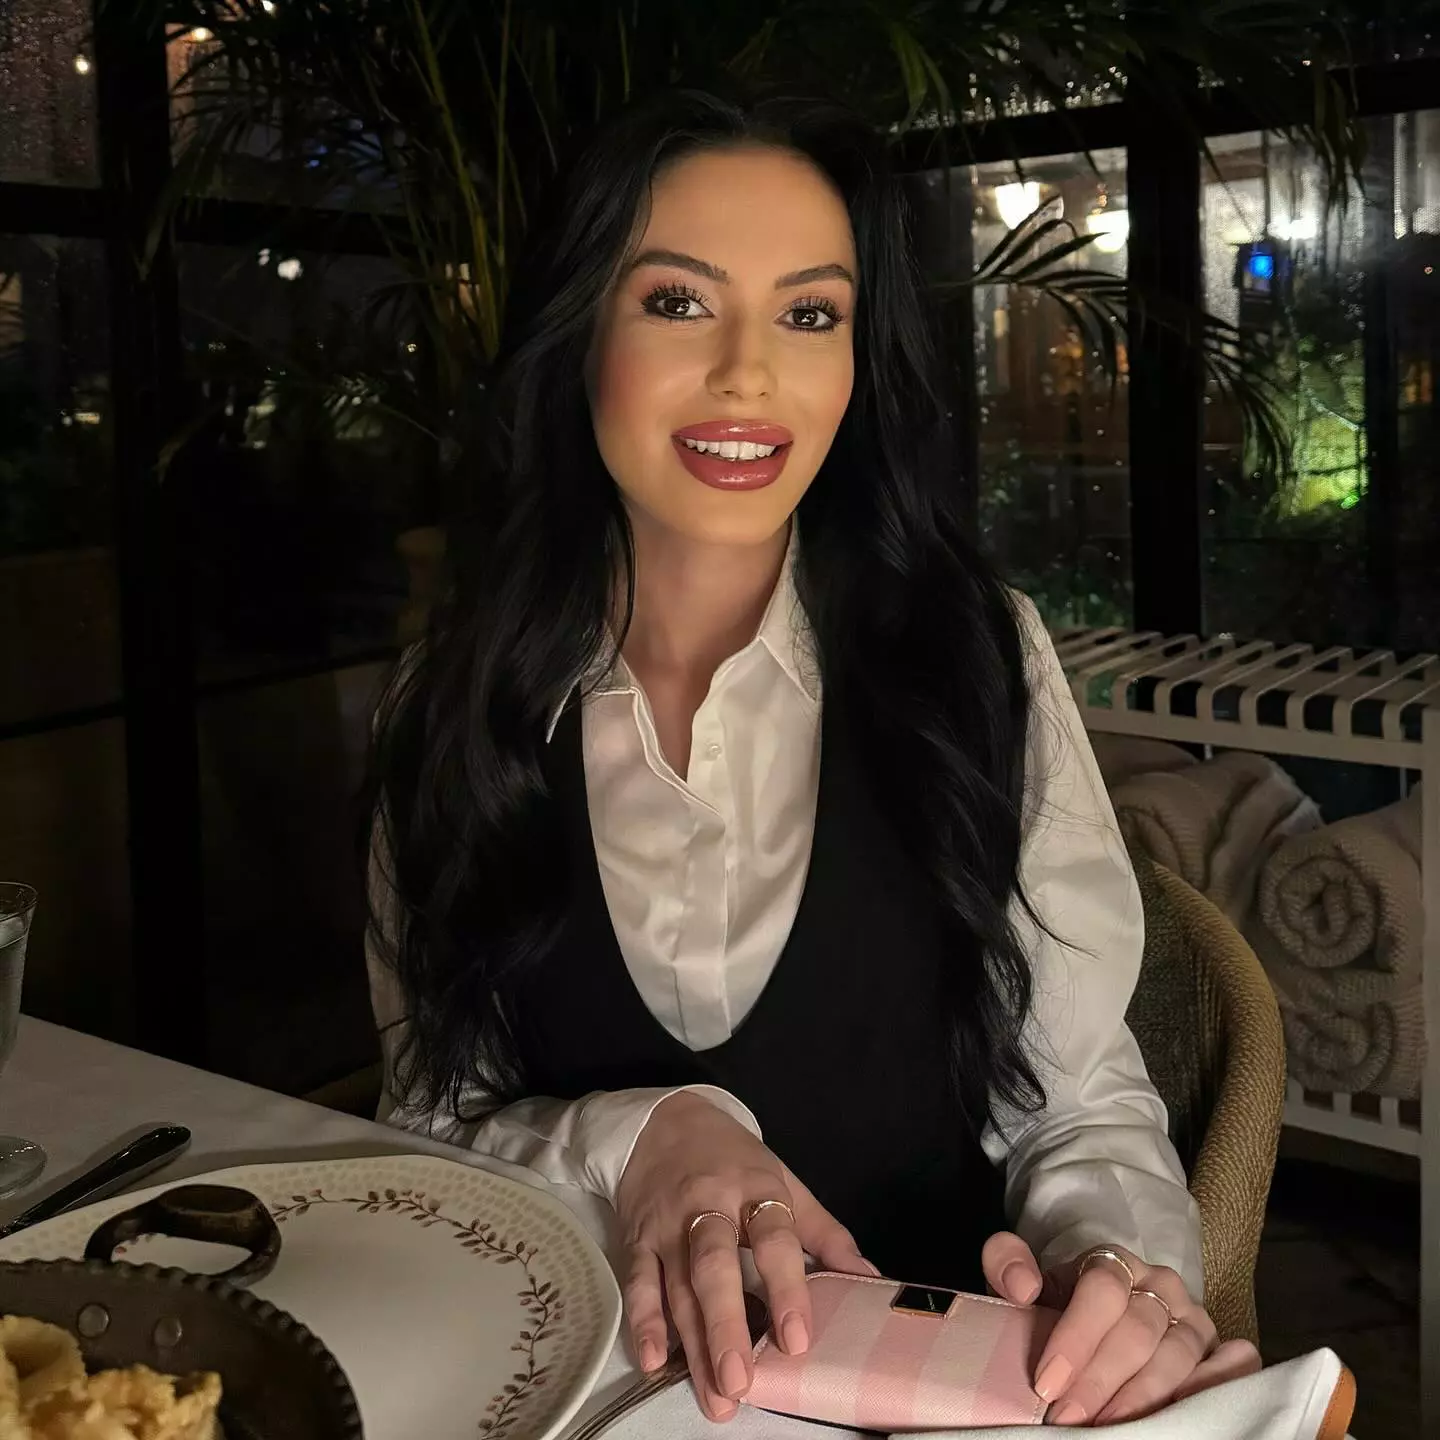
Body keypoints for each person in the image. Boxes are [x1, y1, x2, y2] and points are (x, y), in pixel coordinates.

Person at [364, 89, 1261, 1428]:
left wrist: (1113, 1276)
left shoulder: (975, 660)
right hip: (586, 1397)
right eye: (678, 302)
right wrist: (635, 1138)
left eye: (809, 314)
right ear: (579, 332)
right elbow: (428, 1125)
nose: (748, 374)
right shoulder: (446, 710)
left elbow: (1077, 1102)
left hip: (933, 1399)